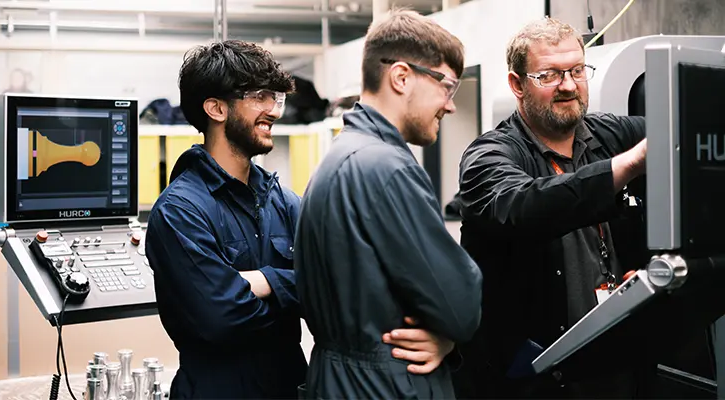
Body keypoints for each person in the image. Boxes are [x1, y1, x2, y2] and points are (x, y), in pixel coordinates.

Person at [146, 39, 462, 399]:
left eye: (275, 98)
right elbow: (219, 318)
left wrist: (265, 282)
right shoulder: (179, 212)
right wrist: (300, 287)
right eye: (260, 97)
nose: (275, 111)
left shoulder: (284, 201)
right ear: (216, 108)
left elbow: (344, 284)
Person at [452, 17, 653, 399]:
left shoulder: (610, 135)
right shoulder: (489, 156)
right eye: (550, 75)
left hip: (617, 366)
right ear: (516, 84)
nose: (568, 85)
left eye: (577, 70)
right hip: (534, 379)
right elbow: (523, 206)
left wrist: (645, 267)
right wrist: (626, 166)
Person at [294, 9, 484, 399]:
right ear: (401, 77)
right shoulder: (388, 168)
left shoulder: (341, 157)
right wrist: (448, 335)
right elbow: (460, 308)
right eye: (447, 86)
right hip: (386, 385)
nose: (449, 105)